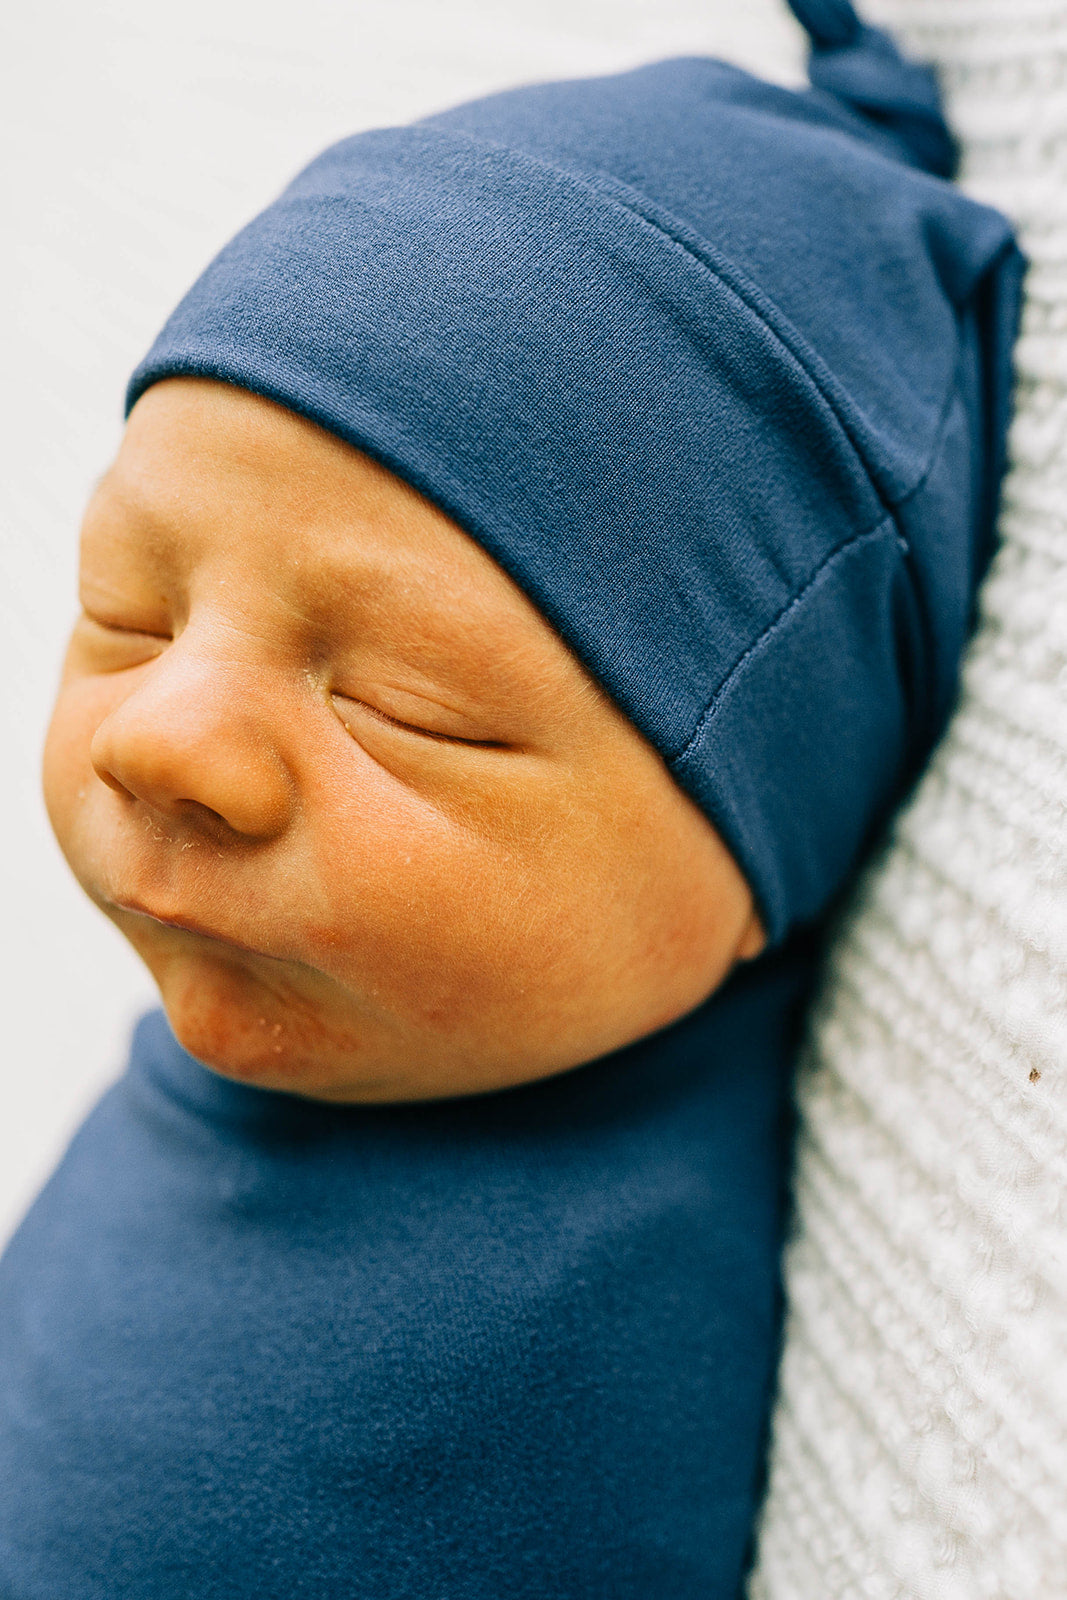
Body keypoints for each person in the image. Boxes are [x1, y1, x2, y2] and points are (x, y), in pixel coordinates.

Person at [0, 1, 1024, 1594]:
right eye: (129, 608)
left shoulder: (567, 1354)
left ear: (760, 851)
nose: (162, 740)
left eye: (412, 707)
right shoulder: (347, 1012)